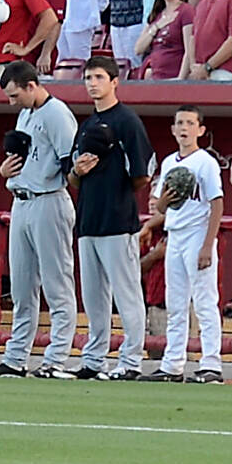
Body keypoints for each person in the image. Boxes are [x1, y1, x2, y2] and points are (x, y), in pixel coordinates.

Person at [70, 55, 151, 379]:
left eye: (99, 77)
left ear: (115, 81)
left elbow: (141, 175)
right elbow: (72, 178)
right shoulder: (87, 124)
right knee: (93, 297)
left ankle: (131, 361)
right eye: (88, 77)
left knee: (126, 293)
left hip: (118, 220)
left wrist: (117, 192)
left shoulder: (127, 121)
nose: (92, 83)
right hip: (88, 218)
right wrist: (77, 171)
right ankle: (93, 359)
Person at [142, 106, 224, 381]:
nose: (184, 127)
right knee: (175, 303)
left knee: (204, 301)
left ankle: (211, 364)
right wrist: (161, 204)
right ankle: (172, 364)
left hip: (198, 232)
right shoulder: (168, 162)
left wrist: (207, 245)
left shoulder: (206, 162)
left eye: (190, 122)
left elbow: (217, 204)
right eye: (180, 123)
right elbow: (161, 205)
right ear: (173, 129)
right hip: (174, 233)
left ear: (200, 130)